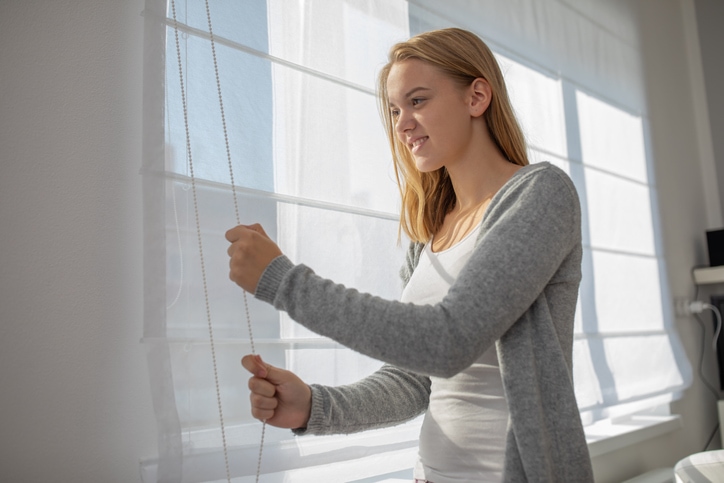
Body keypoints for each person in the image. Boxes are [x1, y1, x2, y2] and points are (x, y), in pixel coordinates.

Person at [226, 27, 594, 482]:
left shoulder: (541, 194)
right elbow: (414, 378)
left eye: (418, 101)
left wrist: (283, 281)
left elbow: (446, 343)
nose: (401, 124)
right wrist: (314, 406)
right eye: (395, 109)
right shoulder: (429, 235)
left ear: (477, 96)